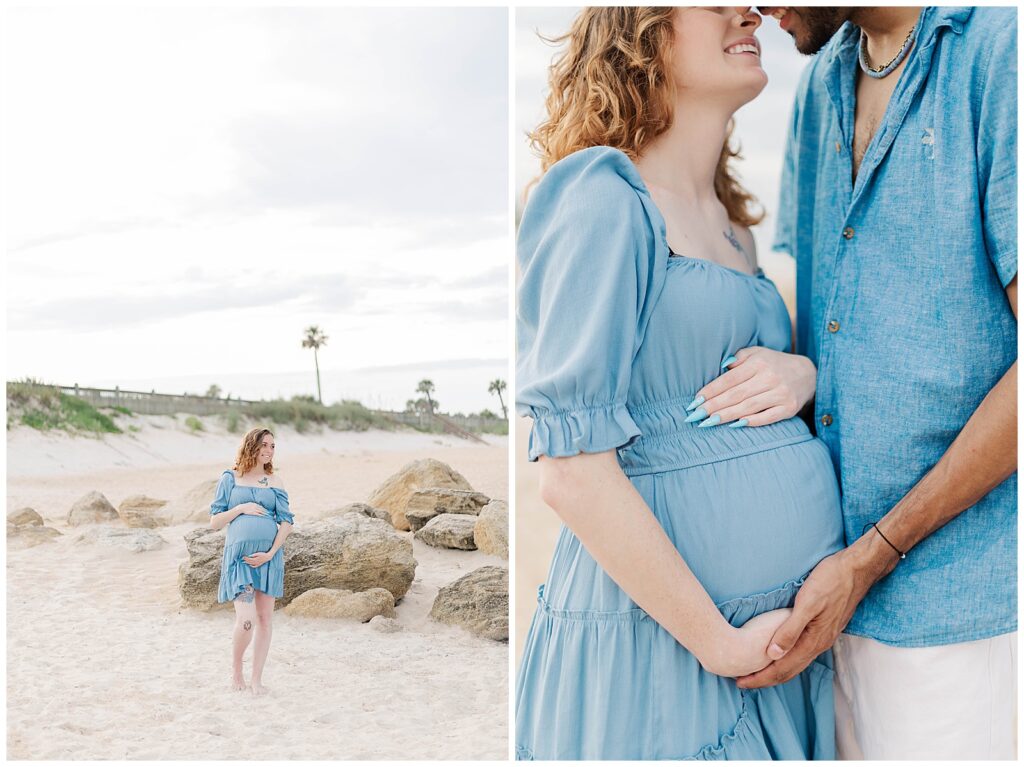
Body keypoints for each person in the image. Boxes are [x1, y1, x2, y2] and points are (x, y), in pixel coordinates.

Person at [515, 7, 846, 760]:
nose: (750, 9)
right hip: (669, 649)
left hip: (775, 654)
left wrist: (802, 371)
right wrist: (721, 645)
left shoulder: (735, 227)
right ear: (644, 33)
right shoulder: (600, 197)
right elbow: (569, 471)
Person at [730, 6, 1018, 760]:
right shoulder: (821, 81)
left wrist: (871, 558)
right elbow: (827, 304)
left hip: (960, 622)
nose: (754, 7)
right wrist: (800, 365)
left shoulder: (998, 53)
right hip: (828, 605)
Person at [209, 427, 295, 695]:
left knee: (265, 620)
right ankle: (237, 670)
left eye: (272, 446)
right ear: (252, 446)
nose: (269, 450)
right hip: (240, 561)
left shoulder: (275, 482)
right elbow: (214, 522)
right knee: (246, 621)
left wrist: (270, 553)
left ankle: (256, 679)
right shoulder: (231, 477)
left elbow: (286, 522)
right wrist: (240, 508)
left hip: (268, 560)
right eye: (265, 445)